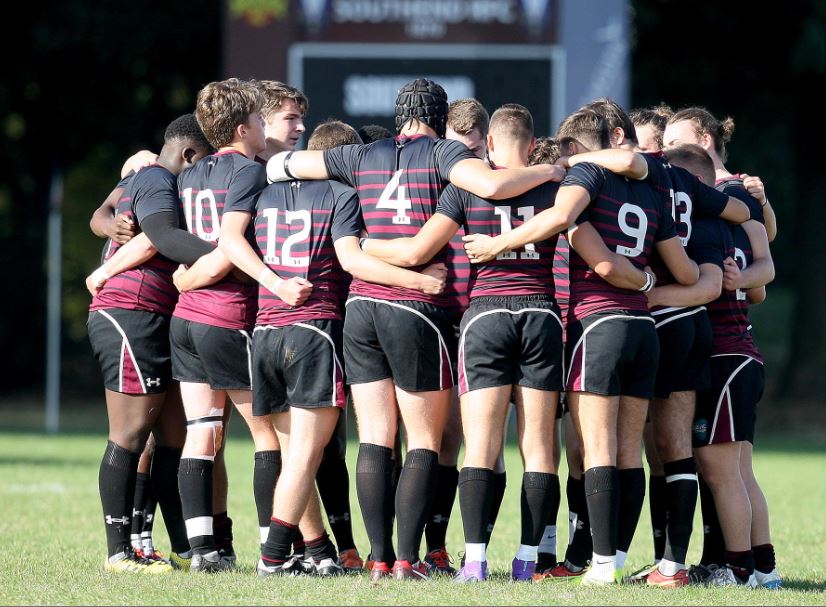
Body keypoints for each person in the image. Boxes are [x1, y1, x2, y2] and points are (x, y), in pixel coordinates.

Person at [266, 78, 564, 581]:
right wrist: (550, 168)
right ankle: (407, 559)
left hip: (361, 304)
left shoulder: (360, 156)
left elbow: (279, 167)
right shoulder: (445, 153)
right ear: (439, 114)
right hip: (415, 305)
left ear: (398, 111)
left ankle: (377, 558)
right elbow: (492, 186)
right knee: (424, 440)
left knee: (376, 438)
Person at [464, 107, 699, 585]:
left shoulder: (587, 176)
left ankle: (603, 564)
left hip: (598, 325)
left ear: (575, 148)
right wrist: (648, 279)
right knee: (630, 450)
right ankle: (616, 558)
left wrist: (496, 246)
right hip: (642, 328)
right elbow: (688, 273)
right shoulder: (653, 187)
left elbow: (563, 218)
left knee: (596, 450)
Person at [219, 118, 446, 576]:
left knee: (293, 454)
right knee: (307, 453)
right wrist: (419, 280)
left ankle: (315, 550)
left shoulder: (261, 193)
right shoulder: (343, 195)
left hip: (265, 329)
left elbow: (231, 240)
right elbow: (352, 257)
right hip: (313, 330)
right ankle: (274, 557)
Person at [86, 113, 212, 574]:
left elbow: (105, 212)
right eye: (207, 158)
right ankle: (119, 551)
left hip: (154, 314)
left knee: (169, 435)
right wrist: (238, 258)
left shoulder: (146, 173)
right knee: (130, 433)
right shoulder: (158, 178)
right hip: (130, 312)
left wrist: (105, 222)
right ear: (190, 155)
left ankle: (151, 542)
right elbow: (160, 237)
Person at [164, 78, 278, 572]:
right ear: (241, 128)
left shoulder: (191, 174)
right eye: (258, 119)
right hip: (227, 314)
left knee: (203, 430)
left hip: (185, 321)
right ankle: (274, 549)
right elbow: (230, 244)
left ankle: (203, 549)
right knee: (267, 434)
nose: (263, 127)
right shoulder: (249, 172)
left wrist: (185, 281)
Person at [663, 107, 777, 242]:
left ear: (705, 140)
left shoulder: (736, 189)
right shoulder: (679, 187)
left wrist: (763, 202)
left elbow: (766, 237)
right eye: (664, 147)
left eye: (676, 144)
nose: (666, 153)